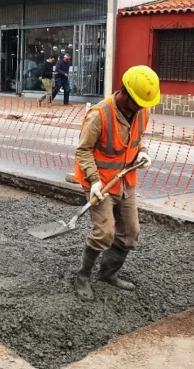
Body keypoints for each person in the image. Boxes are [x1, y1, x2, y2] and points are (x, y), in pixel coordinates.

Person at [72, 65, 161, 301]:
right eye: (137, 103)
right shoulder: (99, 115)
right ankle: (82, 276)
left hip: (125, 180)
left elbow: (137, 138)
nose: (141, 108)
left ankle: (107, 274)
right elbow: (83, 150)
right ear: (124, 92)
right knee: (104, 233)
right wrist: (93, 181)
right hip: (100, 184)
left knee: (131, 233)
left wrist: (142, 151)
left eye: (144, 104)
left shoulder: (142, 111)